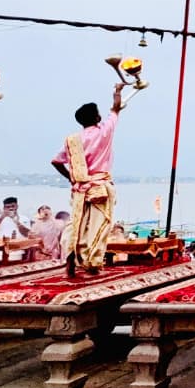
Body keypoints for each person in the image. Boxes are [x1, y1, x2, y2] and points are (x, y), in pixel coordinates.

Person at [52, 84, 123, 276]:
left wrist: (72, 179)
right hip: (100, 186)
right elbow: (116, 108)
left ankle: (70, 260)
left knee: (76, 224)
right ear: (97, 118)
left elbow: (56, 162)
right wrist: (118, 91)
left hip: (80, 188)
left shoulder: (73, 140)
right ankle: (92, 263)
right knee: (98, 225)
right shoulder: (104, 131)